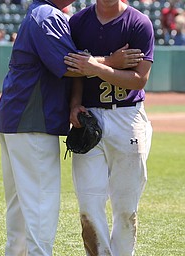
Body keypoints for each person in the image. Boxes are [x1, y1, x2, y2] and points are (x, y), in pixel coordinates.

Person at [0, 0, 144, 255]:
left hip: (17, 119)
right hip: (33, 121)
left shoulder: (41, 13)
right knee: (42, 204)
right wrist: (111, 60)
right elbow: (69, 65)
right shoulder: (47, 16)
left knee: (20, 206)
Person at [63, 0, 154, 255]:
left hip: (127, 116)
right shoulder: (78, 22)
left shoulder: (139, 23)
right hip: (89, 116)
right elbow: (76, 72)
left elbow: (138, 80)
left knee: (126, 209)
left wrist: (95, 66)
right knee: (89, 206)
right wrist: (75, 104)